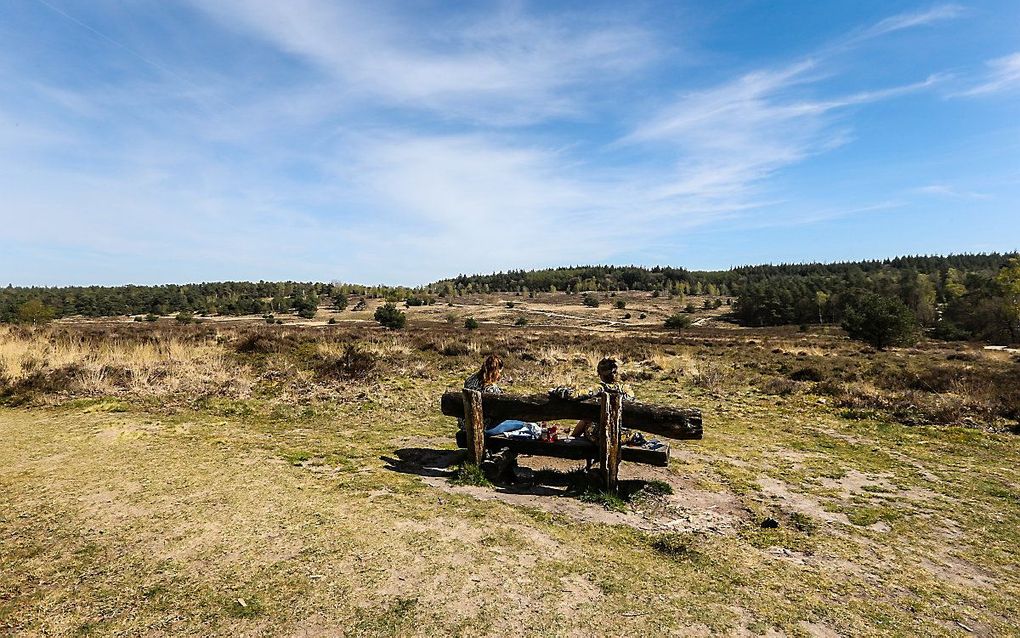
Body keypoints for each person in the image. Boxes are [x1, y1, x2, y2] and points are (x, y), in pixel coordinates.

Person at [563, 357, 635, 439]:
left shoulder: (599, 389)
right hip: (623, 435)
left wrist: (559, 391)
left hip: (601, 435)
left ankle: (572, 440)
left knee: (587, 418)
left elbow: (574, 395)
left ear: (600, 374)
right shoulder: (627, 390)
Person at [458, 354, 504, 432]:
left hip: (465, 423)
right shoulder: (492, 389)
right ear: (496, 371)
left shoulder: (470, 380)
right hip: (480, 426)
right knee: (519, 424)